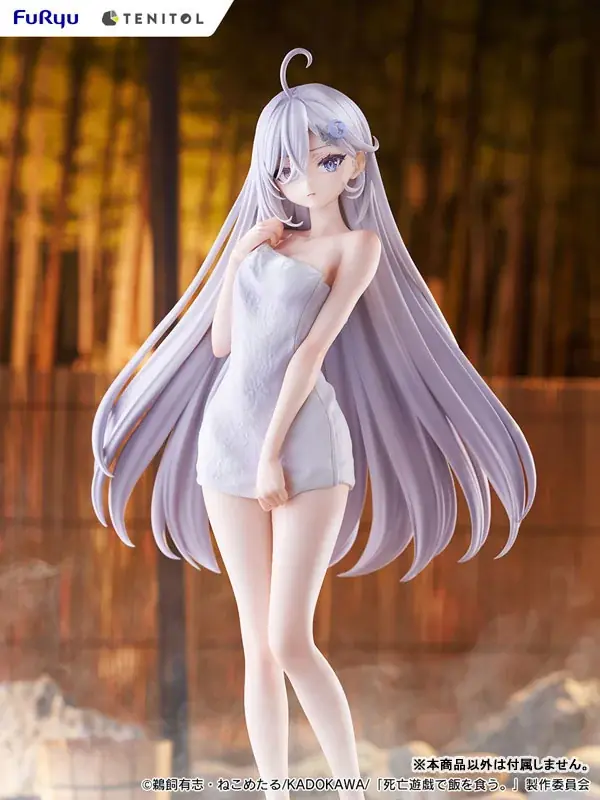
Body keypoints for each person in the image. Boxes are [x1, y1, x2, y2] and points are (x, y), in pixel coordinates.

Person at [91, 47, 536, 800]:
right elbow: (225, 344)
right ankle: (276, 791)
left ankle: (349, 787)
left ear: (355, 162)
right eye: (287, 167)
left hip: (303, 445)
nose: (304, 178)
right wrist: (239, 255)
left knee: (289, 637)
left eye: (324, 159)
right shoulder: (269, 243)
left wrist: (272, 454)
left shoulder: (357, 246)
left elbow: (309, 353)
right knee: (255, 645)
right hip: (226, 440)